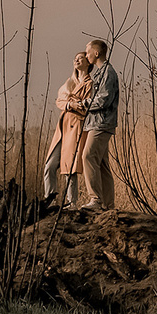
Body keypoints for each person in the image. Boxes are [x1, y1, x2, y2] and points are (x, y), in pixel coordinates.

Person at [39, 56, 91, 207]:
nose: (76, 60)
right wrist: (71, 104)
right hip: (62, 127)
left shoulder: (89, 84)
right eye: (75, 58)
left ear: (88, 63)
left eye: (81, 58)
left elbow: (86, 107)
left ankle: (71, 202)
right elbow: (59, 101)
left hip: (75, 127)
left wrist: (72, 103)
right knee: (49, 165)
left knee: (70, 166)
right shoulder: (69, 82)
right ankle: (50, 199)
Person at [79, 39, 119, 212]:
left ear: (96, 53)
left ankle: (95, 199)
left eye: (88, 52)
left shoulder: (107, 73)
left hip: (102, 123)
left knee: (88, 156)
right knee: (102, 164)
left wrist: (85, 103)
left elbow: (104, 99)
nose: (86, 55)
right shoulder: (100, 73)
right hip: (97, 123)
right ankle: (108, 205)